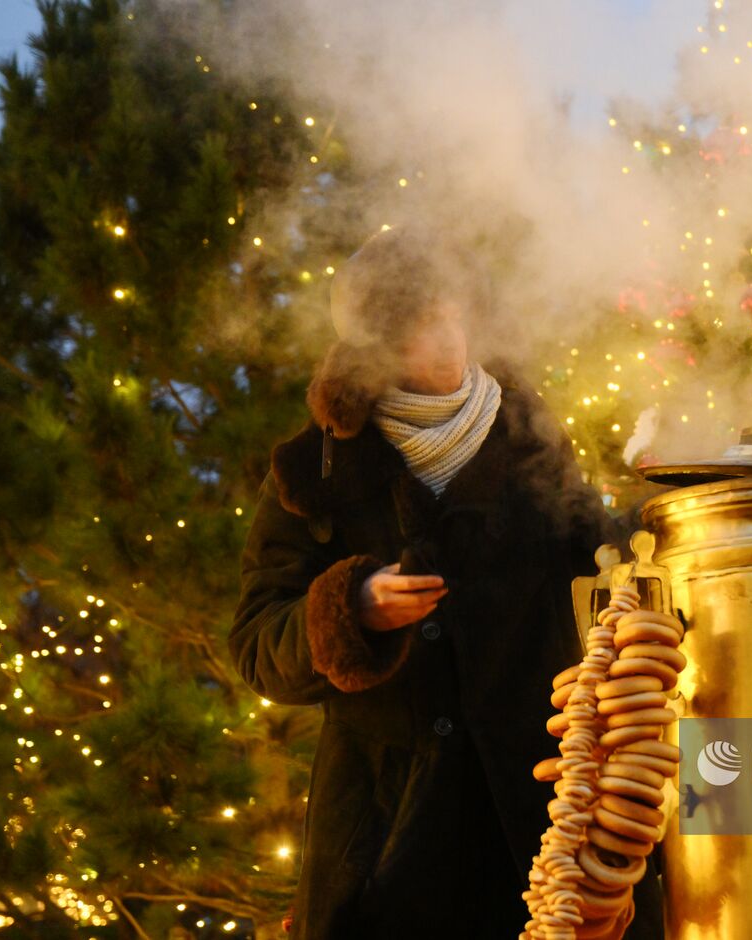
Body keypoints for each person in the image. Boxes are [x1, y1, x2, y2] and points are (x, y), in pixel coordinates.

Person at [226, 226, 664, 938]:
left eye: (451, 314)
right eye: (420, 328)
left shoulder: (527, 433)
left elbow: (596, 561)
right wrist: (350, 609)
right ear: (373, 353)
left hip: (546, 815)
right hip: (388, 842)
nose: (448, 341)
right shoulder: (315, 473)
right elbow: (254, 643)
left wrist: (661, 513)